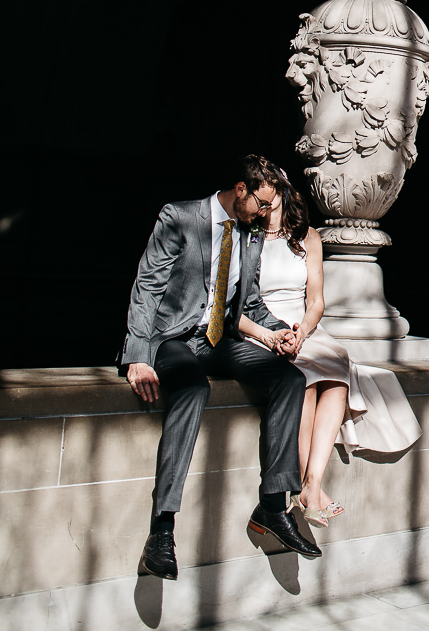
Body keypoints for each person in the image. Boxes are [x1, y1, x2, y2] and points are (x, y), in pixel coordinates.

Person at [120, 153, 322, 580]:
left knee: (290, 378)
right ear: (241, 190)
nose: (268, 215)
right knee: (193, 390)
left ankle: (271, 505)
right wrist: (138, 354)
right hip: (173, 339)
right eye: (263, 204)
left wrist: (278, 331)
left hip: (220, 340)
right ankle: (162, 531)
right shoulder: (180, 217)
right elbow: (148, 285)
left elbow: (247, 303)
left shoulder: (249, 235)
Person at [239, 170, 421, 528]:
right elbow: (239, 302)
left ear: (281, 194)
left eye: (268, 196)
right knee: (304, 384)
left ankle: (311, 485)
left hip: (303, 326)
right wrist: (273, 336)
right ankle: (309, 489)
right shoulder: (247, 237)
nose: (262, 205)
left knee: (337, 373)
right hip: (263, 328)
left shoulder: (308, 237)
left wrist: (304, 330)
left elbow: (317, 301)